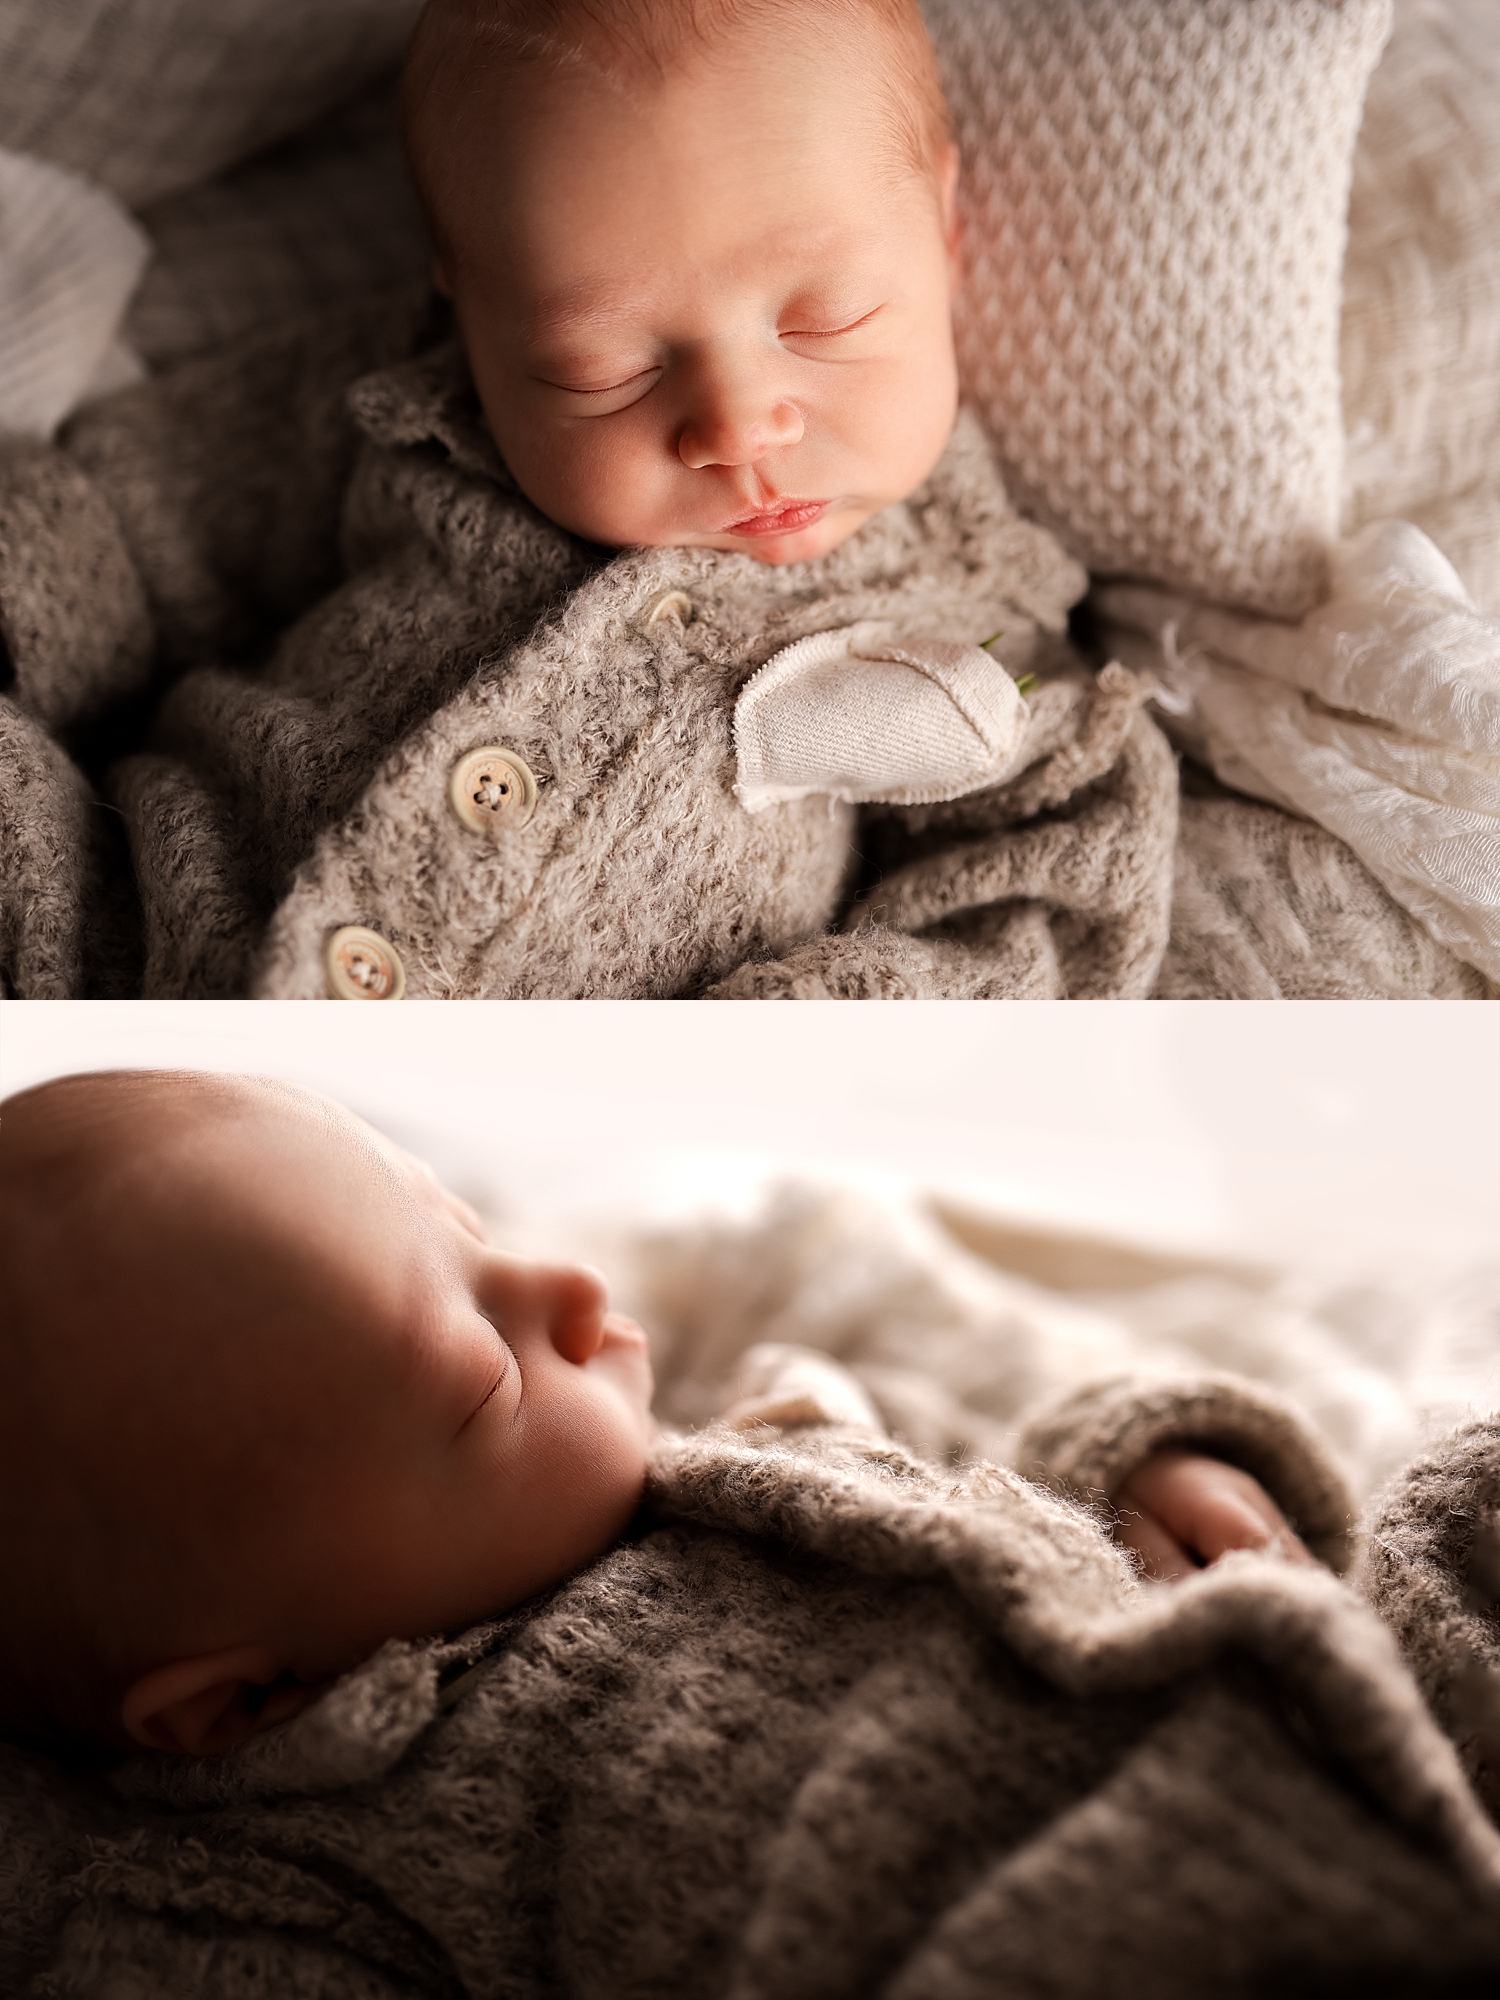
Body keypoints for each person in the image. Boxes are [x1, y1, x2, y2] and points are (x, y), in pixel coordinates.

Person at [94, 0, 1180, 1001]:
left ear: (942, 232)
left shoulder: (967, 588)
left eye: (829, 318)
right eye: (602, 369)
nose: (738, 426)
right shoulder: (401, 399)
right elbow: (121, 513)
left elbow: (1054, 862)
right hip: (132, 924)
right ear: (470, 309)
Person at [0, 1068, 1312, 1759]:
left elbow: (873, 1300)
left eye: (470, 1226)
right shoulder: (288, 1870)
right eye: (480, 1376)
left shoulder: (717, 1397)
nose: (567, 1285)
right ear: (245, 1704)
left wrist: (1128, 1455)